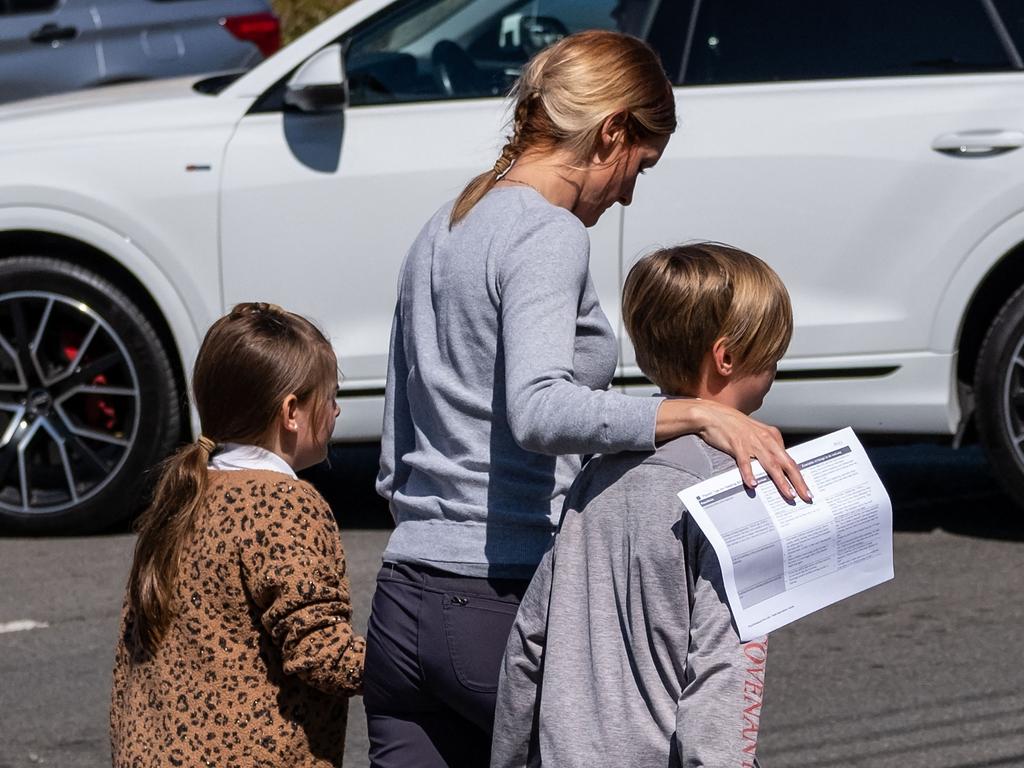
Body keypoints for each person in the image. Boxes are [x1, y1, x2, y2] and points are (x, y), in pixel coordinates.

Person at [368, 30, 808, 767]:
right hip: (495, 597)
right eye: (642, 162)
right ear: (612, 132)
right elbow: (539, 410)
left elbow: (394, 442)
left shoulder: (445, 224)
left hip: (402, 603)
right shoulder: (549, 233)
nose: (633, 189)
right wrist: (696, 412)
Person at [491, 242, 791, 768]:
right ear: (727, 357)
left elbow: (529, 642)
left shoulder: (597, 477)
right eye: (773, 354)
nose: (776, 369)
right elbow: (724, 672)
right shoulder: (736, 487)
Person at [110, 303, 364, 768]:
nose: (336, 409)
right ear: (291, 411)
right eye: (328, 397)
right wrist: (408, 665)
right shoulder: (284, 504)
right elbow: (318, 649)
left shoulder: (185, 494)